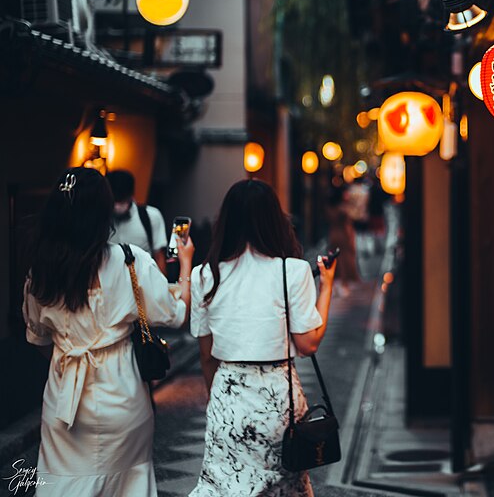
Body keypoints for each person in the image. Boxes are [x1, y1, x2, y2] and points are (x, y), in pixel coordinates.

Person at [22, 168, 193, 497]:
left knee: (63, 482)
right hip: (123, 397)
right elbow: (176, 315)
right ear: (102, 213)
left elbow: (40, 339)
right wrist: (185, 264)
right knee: (127, 483)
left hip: (63, 400)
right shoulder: (130, 261)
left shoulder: (40, 273)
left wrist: (68, 353)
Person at [188, 179, 335, 497]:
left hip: (228, 399)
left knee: (226, 487)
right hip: (277, 403)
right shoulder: (291, 271)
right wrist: (327, 286)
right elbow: (308, 344)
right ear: (273, 219)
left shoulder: (204, 274)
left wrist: (221, 399)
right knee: (282, 489)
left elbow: (206, 355)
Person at [106, 170, 168, 269]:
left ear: (131, 195)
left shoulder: (151, 216)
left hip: (142, 281)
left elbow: (159, 256)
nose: (117, 206)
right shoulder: (101, 219)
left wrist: (162, 282)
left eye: (121, 201)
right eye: (114, 201)